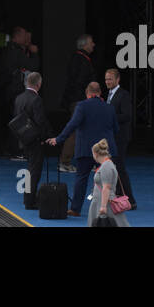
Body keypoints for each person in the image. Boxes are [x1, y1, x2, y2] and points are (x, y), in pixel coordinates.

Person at [47, 81, 117, 217]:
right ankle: (108, 207)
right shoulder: (110, 108)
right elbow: (116, 129)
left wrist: (59, 139)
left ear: (87, 93)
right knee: (107, 180)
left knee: (81, 178)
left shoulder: (82, 106)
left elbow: (72, 125)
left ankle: (75, 209)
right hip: (104, 150)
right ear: (100, 93)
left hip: (86, 149)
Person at [14, 71, 52, 210]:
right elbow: (40, 121)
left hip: (24, 140)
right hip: (35, 141)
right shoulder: (36, 99)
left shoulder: (19, 98)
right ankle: (30, 201)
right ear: (39, 84)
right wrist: (45, 138)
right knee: (34, 171)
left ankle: (28, 199)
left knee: (30, 170)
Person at [59, 34, 97, 172]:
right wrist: (87, 98)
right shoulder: (81, 60)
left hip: (79, 100)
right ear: (85, 44)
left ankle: (86, 161)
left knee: (85, 131)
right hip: (80, 101)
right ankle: (65, 162)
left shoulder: (79, 58)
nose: (94, 44)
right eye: (92, 42)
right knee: (75, 132)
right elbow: (79, 82)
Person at [104, 68, 136, 207]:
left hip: (120, 137)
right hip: (112, 137)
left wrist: (109, 117)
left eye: (110, 79)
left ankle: (130, 200)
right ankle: (120, 196)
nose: (107, 82)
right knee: (114, 167)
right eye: (106, 79)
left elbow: (127, 115)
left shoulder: (123, 95)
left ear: (118, 80)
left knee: (119, 168)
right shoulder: (109, 94)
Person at [86, 138, 129, 226]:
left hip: (106, 203)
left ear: (95, 153)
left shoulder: (106, 166)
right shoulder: (107, 165)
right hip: (102, 201)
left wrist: (103, 206)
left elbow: (106, 187)